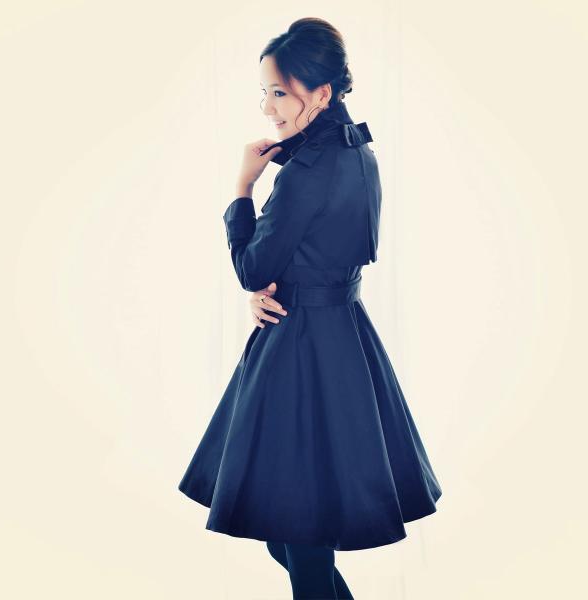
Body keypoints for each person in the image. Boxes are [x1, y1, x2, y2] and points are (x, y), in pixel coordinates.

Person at [178, 17, 442, 599]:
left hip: (300, 348)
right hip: (343, 337)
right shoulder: (359, 154)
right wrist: (280, 284)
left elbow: (253, 268)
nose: (268, 107)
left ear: (322, 93)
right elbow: (328, 247)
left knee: (295, 529)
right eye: (264, 92)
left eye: (280, 92)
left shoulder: (307, 172)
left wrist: (242, 188)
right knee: (296, 529)